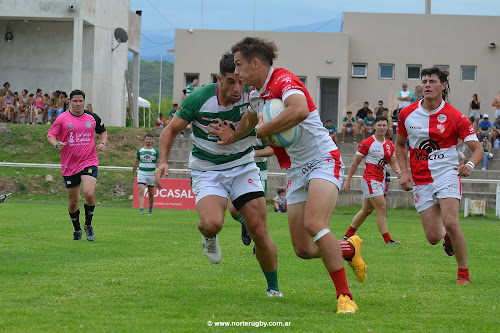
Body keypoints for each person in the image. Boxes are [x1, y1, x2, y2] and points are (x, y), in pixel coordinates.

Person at [212, 37, 366, 314]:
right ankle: (349, 248)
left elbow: (299, 109)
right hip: (296, 168)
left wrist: (264, 128)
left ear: (255, 63)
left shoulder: (284, 80)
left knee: (315, 223)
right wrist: (232, 136)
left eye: (239, 65)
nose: (236, 72)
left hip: (322, 159)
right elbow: (249, 121)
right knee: (303, 249)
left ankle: (345, 296)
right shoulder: (256, 95)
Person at [154, 52, 282, 297]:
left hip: (243, 166)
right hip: (207, 170)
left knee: (260, 230)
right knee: (212, 224)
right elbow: (170, 131)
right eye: (231, 81)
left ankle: (273, 289)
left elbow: (266, 121)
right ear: (218, 78)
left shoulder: (253, 96)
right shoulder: (199, 99)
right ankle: (209, 237)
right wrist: (162, 162)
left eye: (241, 81)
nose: (238, 88)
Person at [395, 66, 482, 285]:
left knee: (451, 221)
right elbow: (400, 145)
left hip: (447, 174)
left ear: (443, 86)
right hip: (421, 179)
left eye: (432, 81)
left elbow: (477, 148)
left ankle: (463, 275)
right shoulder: (407, 113)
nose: (427, 85)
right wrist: (404, 173)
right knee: (433, 237)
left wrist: (470, 164)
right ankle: (447, 238)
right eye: (424, 81)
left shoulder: (455, 117)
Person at [47, 89, 108, 241]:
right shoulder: (62, 119)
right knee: (73, 201)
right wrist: (56, 144)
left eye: (81, 101)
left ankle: (88, 224)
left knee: (89, 193)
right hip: (69, 164)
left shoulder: (92, 117)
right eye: (75, 101)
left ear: (84, 102)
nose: (78, 104)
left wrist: (103, 143)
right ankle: (77, 229)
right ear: (70, 102)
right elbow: (50, 135)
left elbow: (103, 132)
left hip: (89, 161)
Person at [343, 116, 402, 244]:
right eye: (379, 125)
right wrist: (348, 180)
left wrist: (397, 170)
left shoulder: (389, 144)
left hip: (380, 180)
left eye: (384, 125)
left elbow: (392, 161)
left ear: (388, 127)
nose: (381, 128)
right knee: (382, 207)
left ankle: (347, 236)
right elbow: (355, 163)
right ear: (374, 126)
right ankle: (388, 240)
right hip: (370, 179)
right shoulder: (367, 143)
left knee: (367, 210)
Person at [132, 133, 159, 215]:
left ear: (152, 140)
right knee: (141, 191)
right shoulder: (140, 151)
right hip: (142, 173)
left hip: (151, 174)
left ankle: (150, 209)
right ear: (145, 140)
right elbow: (136, 162)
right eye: (147, 139)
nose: (149, 140)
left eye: (150, 139)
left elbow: (159, 163)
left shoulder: (155, 151)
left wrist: (158, 173)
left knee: (151, 193)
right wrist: (133, 174)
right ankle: (141, 210)